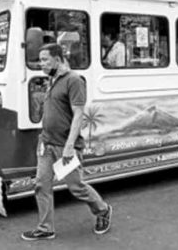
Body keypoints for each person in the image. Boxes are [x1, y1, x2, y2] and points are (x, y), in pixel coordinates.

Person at [21, 43, 112, 241]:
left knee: (76, 187)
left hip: (65, 146)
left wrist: (70, 146)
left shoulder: (74, 80)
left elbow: (79, 115)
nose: (41, 64)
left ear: (58, 59)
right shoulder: (52, 80)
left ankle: (102, 210)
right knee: (41, 185)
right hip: (46, 144)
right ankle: (46, 228)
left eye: (45, 59)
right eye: (40, 59)